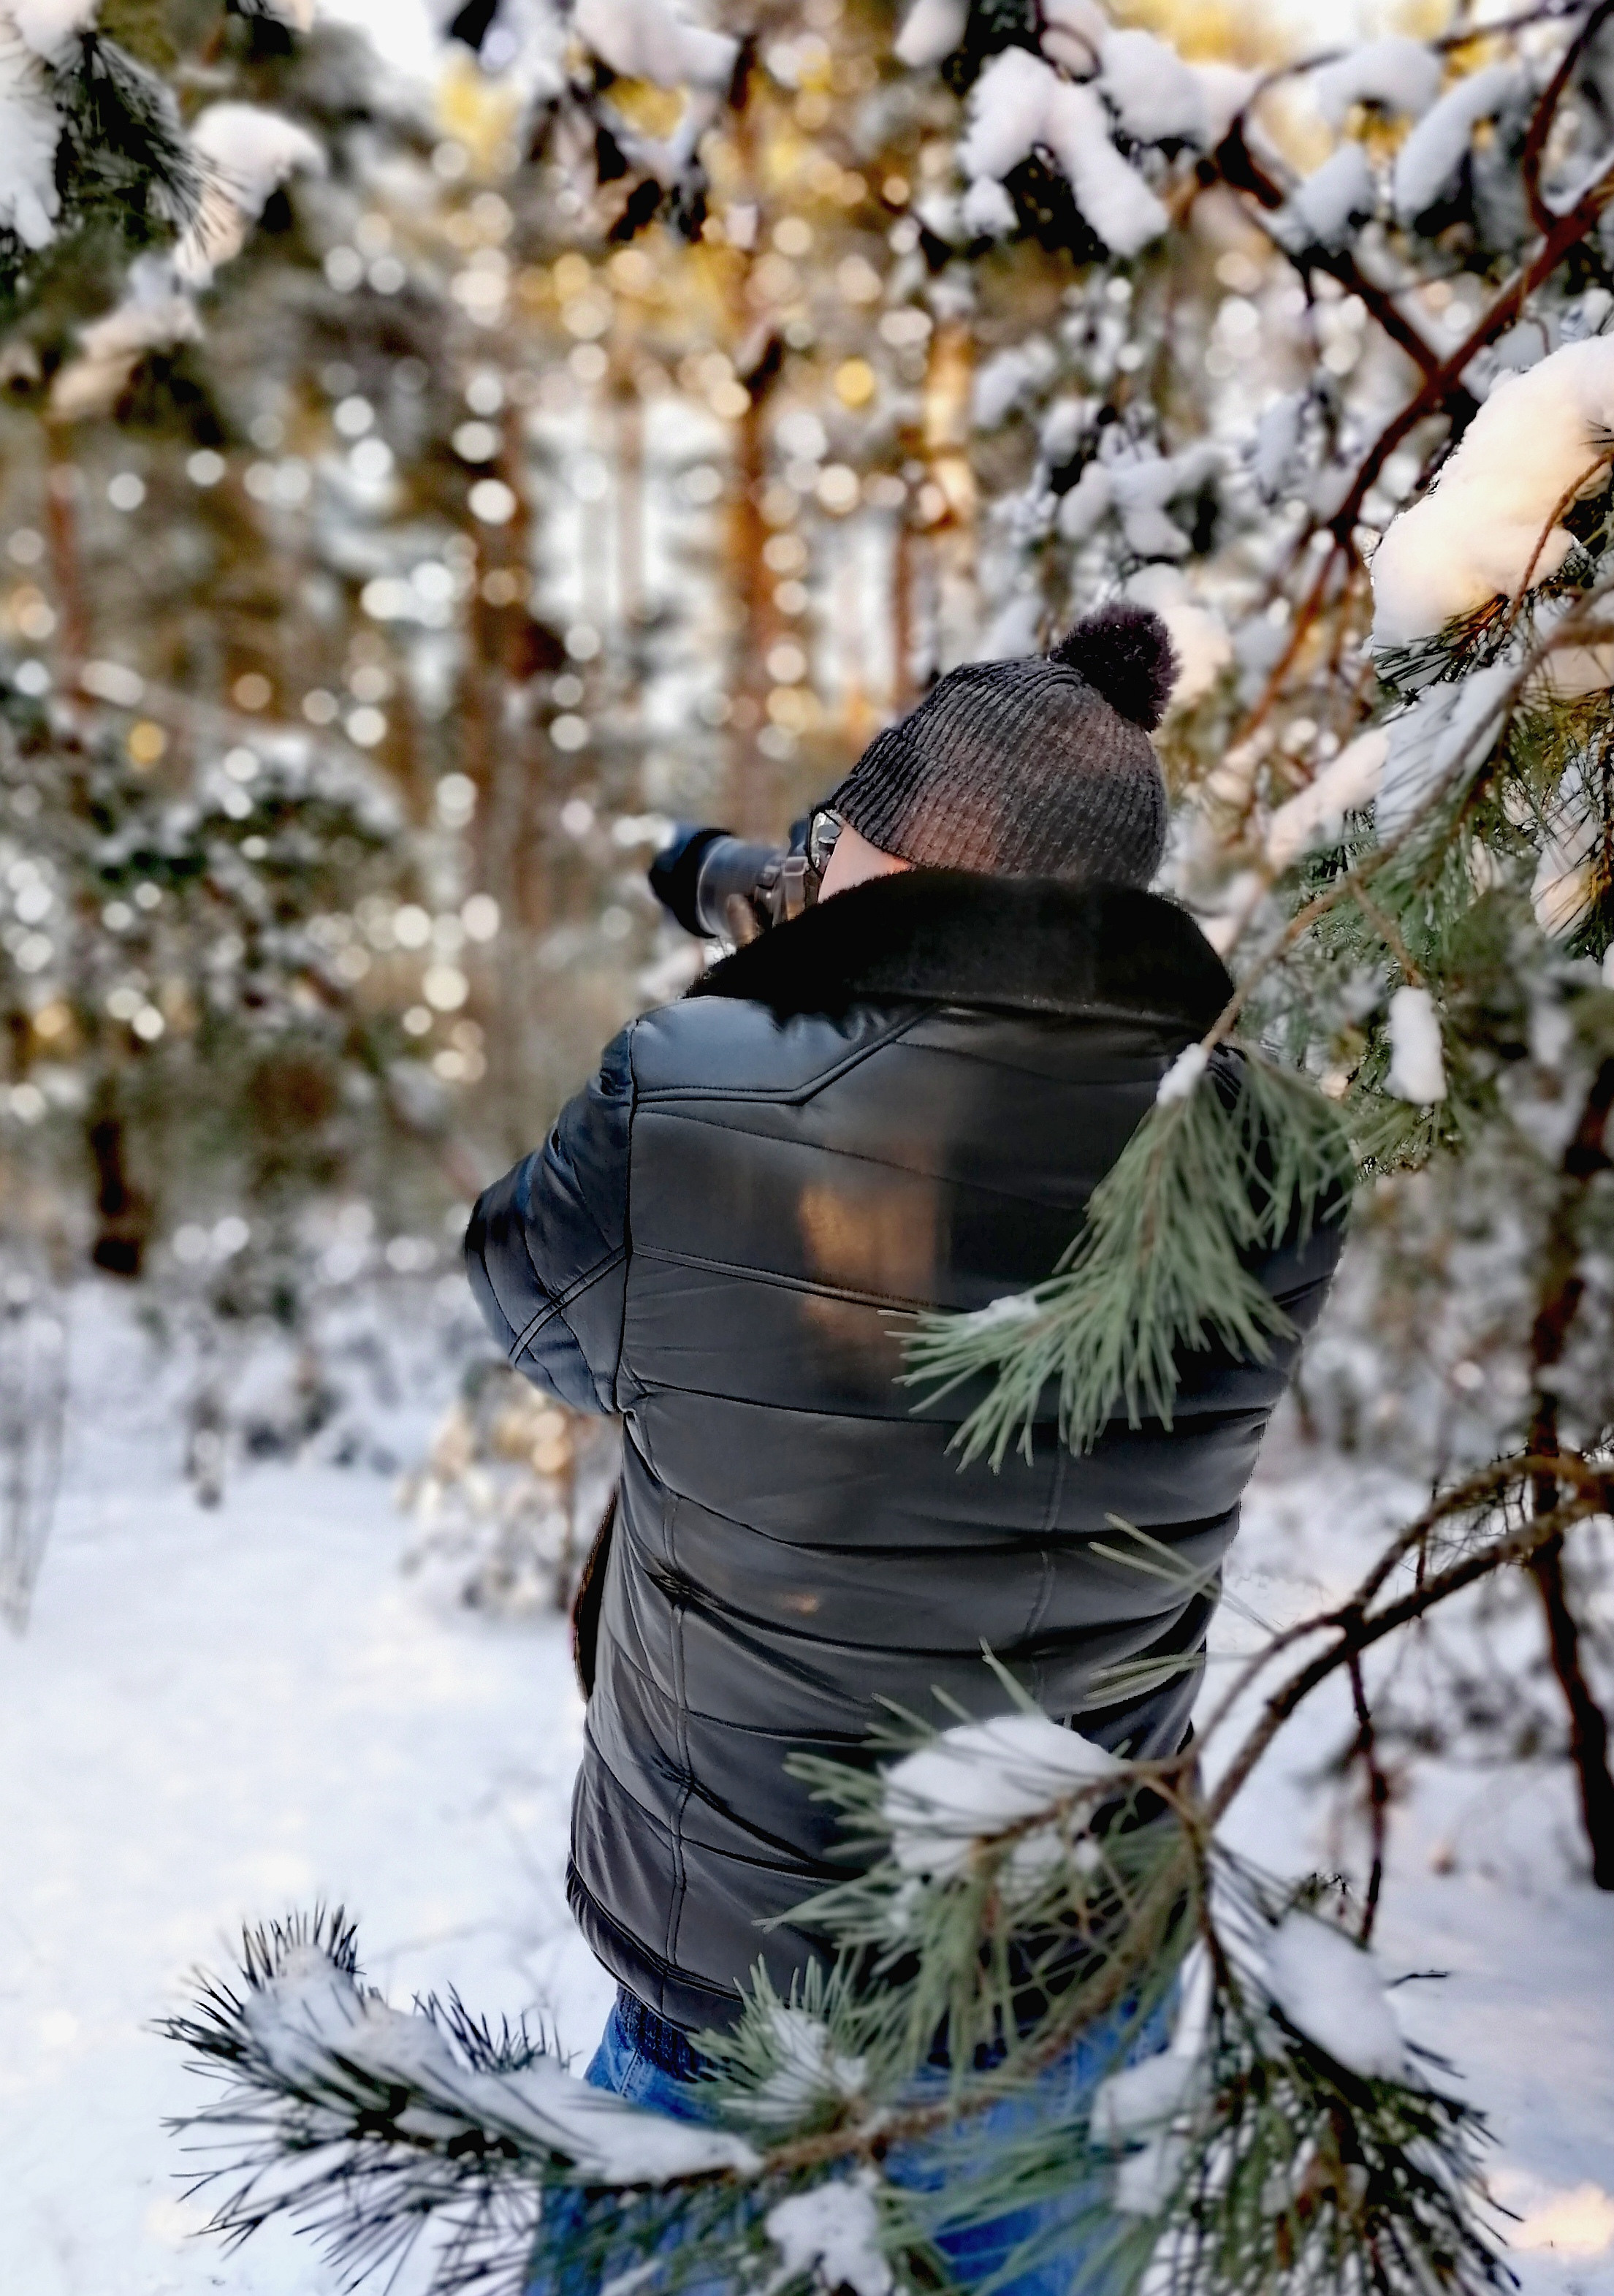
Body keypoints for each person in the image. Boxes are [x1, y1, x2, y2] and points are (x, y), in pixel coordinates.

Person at [465, 604, 1345, 2291]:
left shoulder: (695, 1086)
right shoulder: (1276, 1158)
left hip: (739, 1997)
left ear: (875, 863)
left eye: (827, 846)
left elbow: (529, 1298)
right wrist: (805, 960)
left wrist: (749, 986)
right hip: (1067, 1986)